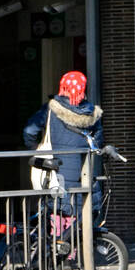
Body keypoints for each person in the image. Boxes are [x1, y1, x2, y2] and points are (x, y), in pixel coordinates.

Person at [23, 70, 103, 213]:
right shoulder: (92, 113)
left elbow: (29, 131)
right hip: (84, 173)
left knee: (58, 213)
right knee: (81, 219)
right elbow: (97, 142)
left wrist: (35, 147)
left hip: (56, 172)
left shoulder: (50, 109)